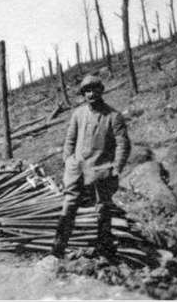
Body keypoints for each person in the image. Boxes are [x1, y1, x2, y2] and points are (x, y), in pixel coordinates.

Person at [52, 74, 131, 258]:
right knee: (68, 207)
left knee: (102, 209)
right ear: (83, 94)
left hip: (100, 171)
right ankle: (58, 248)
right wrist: (68, 160)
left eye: (95, 89)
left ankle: (104, 250)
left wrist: (116, 167)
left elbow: (123, 144)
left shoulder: (113, 116)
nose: (91, 93)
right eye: (87, 90)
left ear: (101, 90)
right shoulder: (78, 114)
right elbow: (70, 140)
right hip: (77, 170)